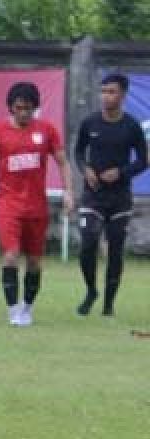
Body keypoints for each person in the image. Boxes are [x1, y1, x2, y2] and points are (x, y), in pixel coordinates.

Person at [0, 82, 74, 327]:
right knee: (10, 256)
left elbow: (63, 162)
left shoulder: (47, 130)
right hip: (8, 205)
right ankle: (13, 310)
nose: (23, 113)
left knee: (34, 261)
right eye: (19, 108)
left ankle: (27, 307)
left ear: (35, 108)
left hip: (36, 207)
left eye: (28, 109)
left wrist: (69, 192)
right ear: (10, 107)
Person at [74, 72, 148, 316]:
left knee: (115, 249)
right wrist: (86, 170)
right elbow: (78, 154)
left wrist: (121, 172)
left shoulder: (131, 126)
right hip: (93, 196)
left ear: (123, 95)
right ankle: (91, 290)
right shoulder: (90, 123)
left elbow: (143, 161)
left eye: (112, 92)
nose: (106, 96)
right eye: (104, 91)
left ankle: (108, 304)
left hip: (119, 198)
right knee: (88, 242)